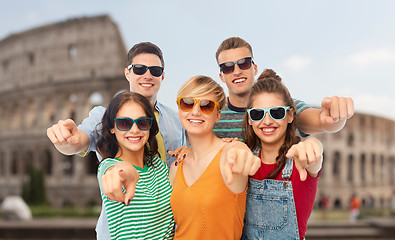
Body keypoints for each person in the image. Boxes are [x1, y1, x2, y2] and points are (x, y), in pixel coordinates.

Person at [47, 42, 185, 239]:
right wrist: (66, 140)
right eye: (139, 69)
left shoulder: (176, 120)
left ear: (162, 76)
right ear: (127, 73)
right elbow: (80, 142)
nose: (147, 75)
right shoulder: (103, 115)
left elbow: (179, 170)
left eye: (155, 70)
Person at [169, 75, 261, 239]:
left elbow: (238, 152)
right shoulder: (177, 166)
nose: (195, 111)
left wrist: (242, 153)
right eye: (187, 103)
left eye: (206, 106)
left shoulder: (228, 152)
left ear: (218, 115)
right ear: (179, 109)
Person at [214, 37, 354, 140]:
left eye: (244, 63)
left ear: (254, 68)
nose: (237, 71)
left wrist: (334, 119)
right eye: (227, 67)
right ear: (221, 76)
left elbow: (320, 121)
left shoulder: (283, 106)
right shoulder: (210, 113)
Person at [241, 69, 324, 239]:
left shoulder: (301, 161)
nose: (267, 121)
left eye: (276, 112)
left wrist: (314, 144)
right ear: (249, 119)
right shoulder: (244, 159)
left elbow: (314, 156)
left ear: (290, 115)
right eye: (257, 114)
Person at [96, 92, 174, 239]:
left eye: (143, 122)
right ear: (112, 127)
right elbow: (116, 172)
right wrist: (125, 173)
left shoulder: (160, 166)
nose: (134, 130)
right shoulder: (109, 166)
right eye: (124, 123)